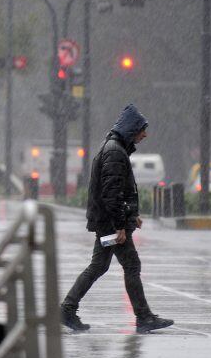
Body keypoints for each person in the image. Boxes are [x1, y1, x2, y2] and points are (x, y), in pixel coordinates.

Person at [61, 104, 174, 334]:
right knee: (128, 265)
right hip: (110, 225)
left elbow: (118, 190)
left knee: (100, 266)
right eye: (142, 129)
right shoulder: (114, 151)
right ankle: (143, 317)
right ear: (132, 129)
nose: (145, 134)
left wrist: (133, 215)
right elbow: (111, 193)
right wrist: (120, 225)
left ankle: (68, 309)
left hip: (108, 222)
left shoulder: (115, 148)